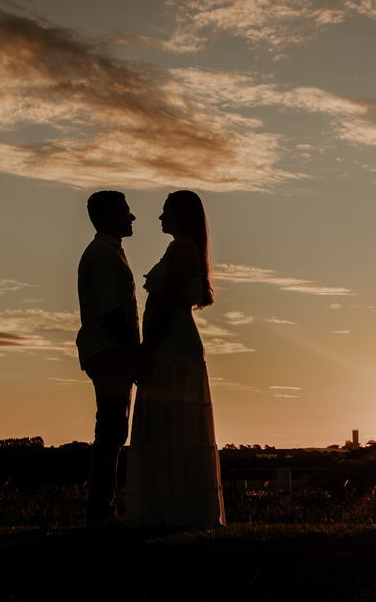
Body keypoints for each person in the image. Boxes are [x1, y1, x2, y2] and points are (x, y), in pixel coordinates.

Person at [125, 190, 226, 528]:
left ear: (180, 214)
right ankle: (168, 510)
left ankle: (175, 511)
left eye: (165, 210)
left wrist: (148, 346)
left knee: (172, 427)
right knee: (168, 428)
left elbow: (167, 302)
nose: (159, 217)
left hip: (172, 345)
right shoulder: (181, 248)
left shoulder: (182, 249)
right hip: (170, 342)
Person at [76, 190, 140, 527]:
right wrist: (135, 350)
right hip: (109, 349)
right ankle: (100, 511)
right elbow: (111, 309)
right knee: (112, 431)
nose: (132, 217)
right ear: (105, 215)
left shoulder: (110, 251)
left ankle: (102, 509)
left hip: (111, 349)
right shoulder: (102, 253)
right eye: (125, 211)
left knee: (114, 430)